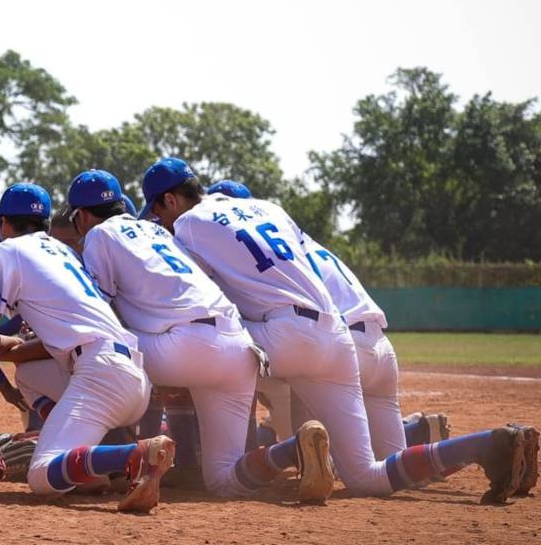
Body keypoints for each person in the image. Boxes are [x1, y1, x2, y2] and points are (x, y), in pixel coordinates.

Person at [145, 156, 535, 503]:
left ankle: (289, 447)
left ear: (171, 200)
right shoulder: (268, 207)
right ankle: (487, 444)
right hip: (335, 336)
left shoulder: (188, 225)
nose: (162, 221)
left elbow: (198, 297)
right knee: (370, 473)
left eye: (159, 211)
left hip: (285, 334)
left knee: (211, 349)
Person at [70, 169, 333, 502]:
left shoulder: (99, 235)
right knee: (223, 479)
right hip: (239, 347)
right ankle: (293, 449)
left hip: (185, 349)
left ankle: (112, 461)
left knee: (104, 351)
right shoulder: (161, 232)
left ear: (81, 216)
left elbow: (103, 306)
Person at [0, 182, 174, 513]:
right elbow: (44, 342)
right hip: (133, 374)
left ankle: (135, 454)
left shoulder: (6, 252)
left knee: (41, 476)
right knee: (30, 374)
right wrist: (10, 348)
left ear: (4, 223)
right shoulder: (63, 251)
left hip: (100, 375)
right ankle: (91, 465)